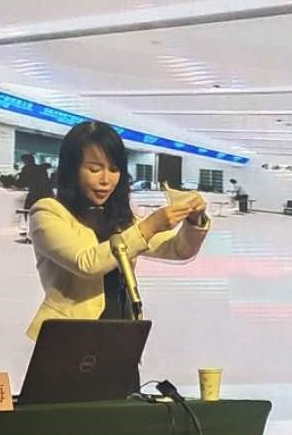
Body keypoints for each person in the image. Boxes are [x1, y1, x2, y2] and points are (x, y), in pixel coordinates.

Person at [27, 121, 208, 340]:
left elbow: (178, 249)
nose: (106, 180)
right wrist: (150, 226)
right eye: (95, 169)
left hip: (121, 331)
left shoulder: (118, 219)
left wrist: (194, 220)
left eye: (114, 170)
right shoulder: (48, 212)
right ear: (72, 170)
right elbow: (86, 263)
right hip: (71, 337)